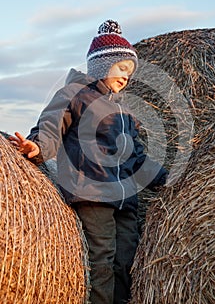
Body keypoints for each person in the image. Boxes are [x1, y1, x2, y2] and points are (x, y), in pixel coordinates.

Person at [10, 19, 168, 304]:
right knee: (102, 262)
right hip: (93, 194)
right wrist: (36, 148)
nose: (126, 78)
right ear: (102, 66)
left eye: (130, 73)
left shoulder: (125, 112)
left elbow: (137, 157)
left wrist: (167, 180)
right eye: (122, 68)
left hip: (126, 200)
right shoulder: (74, 94)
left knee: (125, 263)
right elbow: (51, 126)